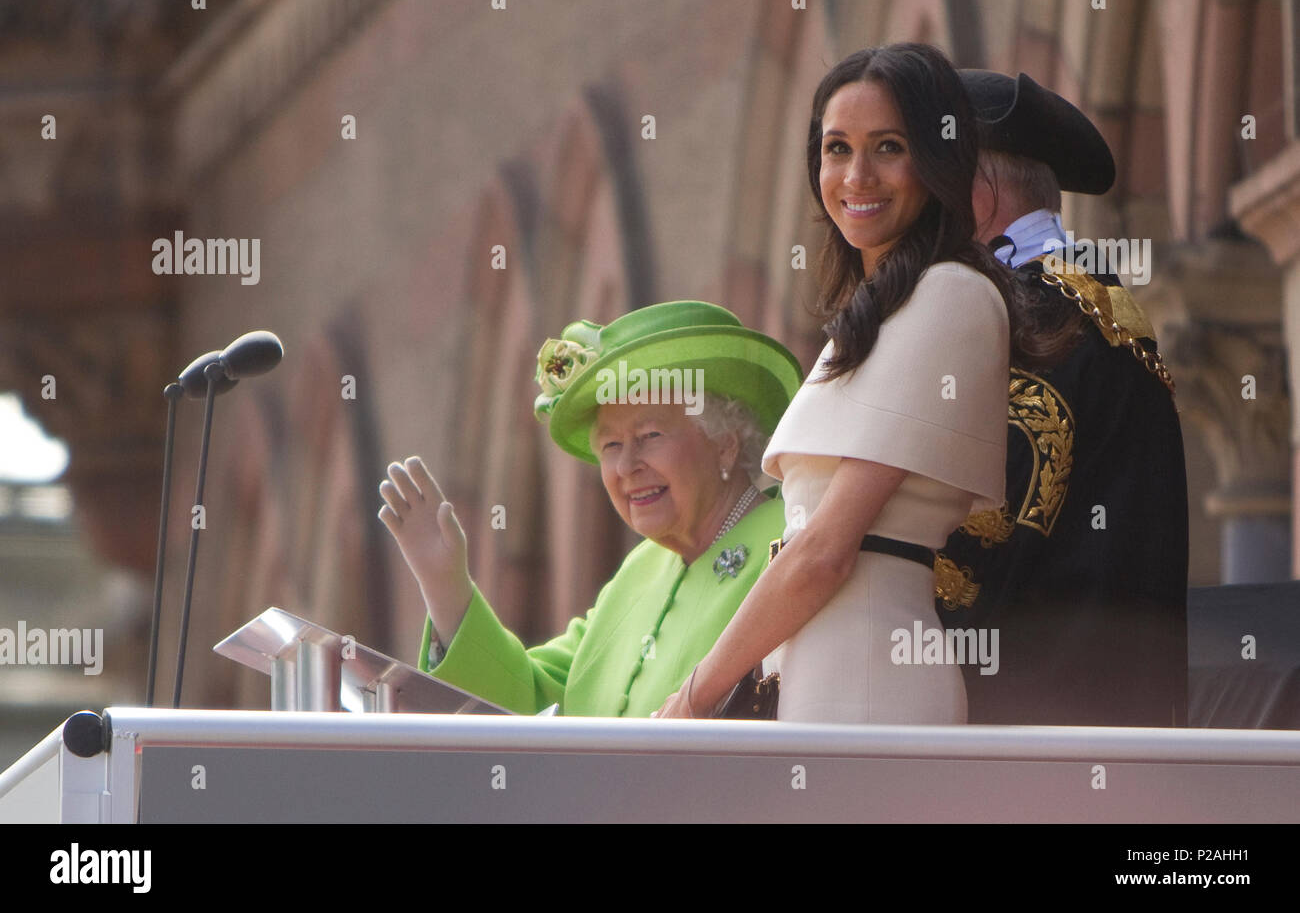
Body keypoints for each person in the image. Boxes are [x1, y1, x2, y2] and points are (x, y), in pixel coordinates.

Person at [658, 43, 1030, 723]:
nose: (857, 175)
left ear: (936, 159)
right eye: (837, 149)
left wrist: (691, 699)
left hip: (870, 681)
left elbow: (824, 555)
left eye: (888, 146)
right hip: (813, 681)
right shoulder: (874, 315)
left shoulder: (951, 294)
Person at [377, 300, 802, 716]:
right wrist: (446, 588)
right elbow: (528, 701)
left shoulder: (793, 533)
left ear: (725, 443)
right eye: (611, 445)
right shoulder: (638, 573)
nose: (626, 466)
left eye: (650, 435)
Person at [933, 70, 1189, 727]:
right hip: (1104, 727)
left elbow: (983, 538)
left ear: (977, 189)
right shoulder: (1081, 296)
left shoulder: (1029, 318)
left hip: (1024, 735)